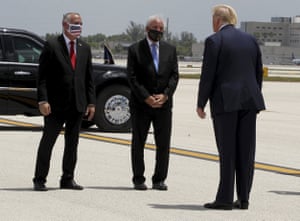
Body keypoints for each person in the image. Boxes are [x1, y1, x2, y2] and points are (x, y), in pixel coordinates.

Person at [196, 5, 265, 209]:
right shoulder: (250, 40)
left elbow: (208, 75)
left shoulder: (214, 40)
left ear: (217, 20)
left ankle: (225, 198)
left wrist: (201, 102)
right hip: (249, 101)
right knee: (246, 150)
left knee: (227, 151)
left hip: (226, 102)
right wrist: (253, 96)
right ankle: (244, 198)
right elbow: (257, 73)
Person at [32, 12, 96, 191]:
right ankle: (39, 178)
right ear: (65, 25)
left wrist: (91, 103)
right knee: (48, 141)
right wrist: (43, 100)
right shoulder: (52, 45)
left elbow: (89, 78)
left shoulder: (85, 47)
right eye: (75, 23)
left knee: (72, 143)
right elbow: (42, 77)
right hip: (55, 105)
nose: (79, 27)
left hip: (77, 104)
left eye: (81, 24)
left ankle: (68, 178)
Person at [127, 15, 179, 191]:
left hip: (163, 105)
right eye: (155, 28)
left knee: (163, 143)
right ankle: (138, 178)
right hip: (142, 104)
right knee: (138, 142)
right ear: (147, 29)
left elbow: (174, 75)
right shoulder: (135, 50)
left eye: (161, 29)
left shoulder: (170, 50)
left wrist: (165, 95)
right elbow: (132, 78)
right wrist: (146, 97)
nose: (158, 31)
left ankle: (159, 179)